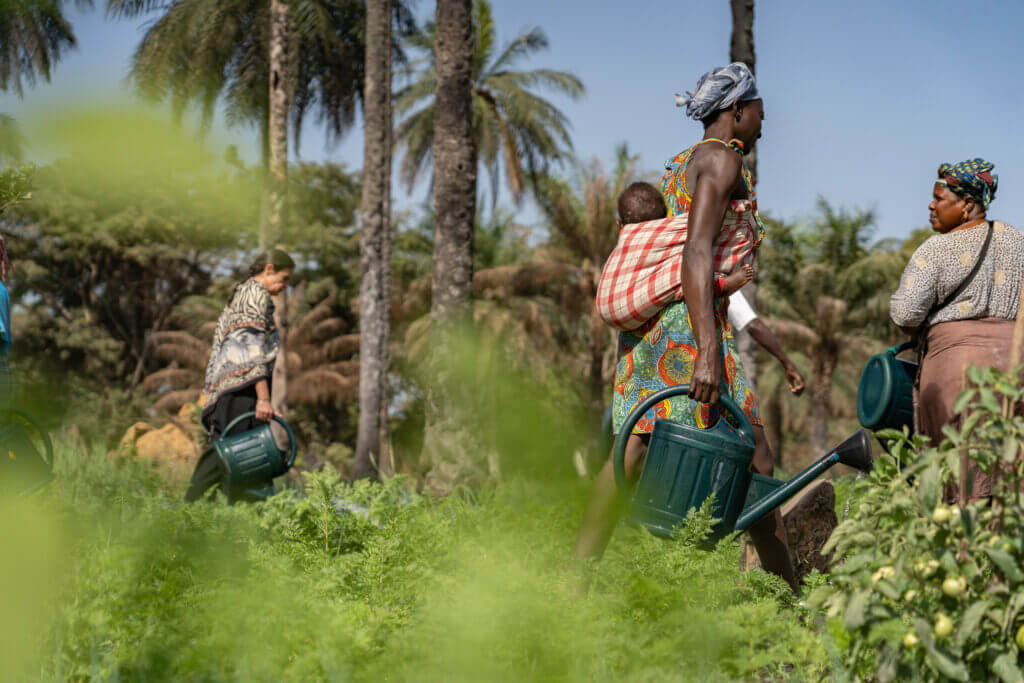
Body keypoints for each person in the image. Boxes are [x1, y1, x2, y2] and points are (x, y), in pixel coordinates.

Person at [575, 63, 799, 592]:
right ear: (737, 110)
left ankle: (572, 586)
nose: (764, 119)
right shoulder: (721, 160)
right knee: (754, 456)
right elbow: (696, 251)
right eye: (759, 108)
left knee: (633, 448)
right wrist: (707, 349)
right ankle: (792, 603)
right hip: (686, 325)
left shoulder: (683, 162)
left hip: (662, 324)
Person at [890, 159, 1023, 502]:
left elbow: (905, 313)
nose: (931, 206)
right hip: (1014, 372)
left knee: (957, 475)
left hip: (956, 374)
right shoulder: (1017, 241)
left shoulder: (936, 249)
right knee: (1010, 475)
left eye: (939, 198)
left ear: (967, 204)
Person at [184, 249, 295, 502]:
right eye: (284, 279)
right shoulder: (255, 295)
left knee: (239, 460)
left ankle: (207, 515)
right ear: (269, 269)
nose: (286, 286)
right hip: (242, 391)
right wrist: (263, 399)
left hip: (235, 391)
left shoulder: (244, 293)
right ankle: (187, 510)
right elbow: (251, 350)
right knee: (235, 455)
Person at [597, 181, 754, 331]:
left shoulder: (621, 248)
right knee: (688, 267)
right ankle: (720, 284)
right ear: (665, 219)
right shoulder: (670, 232)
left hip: (610, 306)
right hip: (627, 307)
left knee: (684, 265)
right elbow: (706, 226)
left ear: (620, 225)